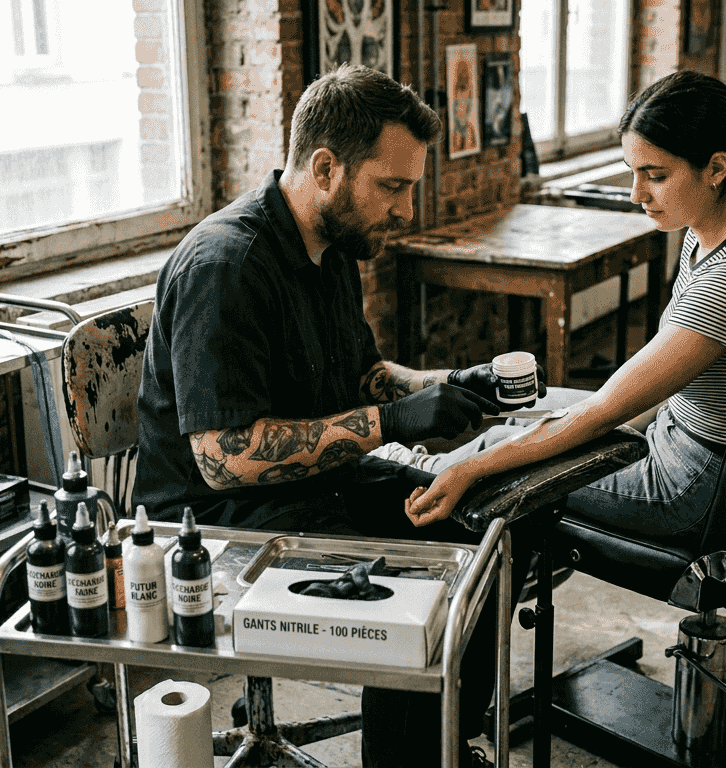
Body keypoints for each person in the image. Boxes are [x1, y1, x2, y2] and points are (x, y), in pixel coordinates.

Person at [133, 64, 540, 767]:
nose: (405, 211)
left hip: (314, 487)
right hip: (214, 520)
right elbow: (224, 458)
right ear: (325, 169)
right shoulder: (226, 266)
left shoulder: (331, 246)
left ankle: (443, 743)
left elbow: (364, 378)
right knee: (417, 584)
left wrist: (451, 386)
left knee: (493, 523)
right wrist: (392, 424)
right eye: (393, 187)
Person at [405, 70, 726, 540]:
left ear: (716, 169)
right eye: (634, 172)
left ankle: (408, 477)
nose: (637, 194)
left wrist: (477, 469)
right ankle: (423, 473)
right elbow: (631, 402)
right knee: (523, 417)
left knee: (489, 462)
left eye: (655, 176)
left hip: (691, 483)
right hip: (672, 433)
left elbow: (605, 410)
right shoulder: (714, 233)